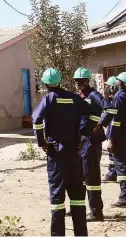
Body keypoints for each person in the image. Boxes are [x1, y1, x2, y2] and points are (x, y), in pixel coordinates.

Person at [32, 68, 99, 236]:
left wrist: (42, 142)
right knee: (77, 197)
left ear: (46, 84)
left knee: (57, 200)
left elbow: (37, 121)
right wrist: (84, 133)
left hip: (56, 155)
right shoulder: (74, 98)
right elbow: (95, 113)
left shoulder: (48, 99)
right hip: (74, 155)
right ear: (60, 81)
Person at [72, 67, 111, 222]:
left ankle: (96, 212)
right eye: (75, 82)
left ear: (87, 81)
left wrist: (100, 124)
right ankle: (79, 208)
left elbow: (110, 108)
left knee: (91, 177)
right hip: (81, 141)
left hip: (91, 140)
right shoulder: (79, 96)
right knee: (79, 176)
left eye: (80, 82)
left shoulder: (94, 95)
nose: (77, 84)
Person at [97, 72, 126, 207]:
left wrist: (110, 138)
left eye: (116, 82)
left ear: (120, 83)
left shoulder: (118, 97)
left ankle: (125, 198)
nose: (114, 85)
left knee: (122, 167)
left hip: (118, 135)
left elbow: (114, 119)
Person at [103, 76, 119, 183]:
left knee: (114, 152)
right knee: (111, 154)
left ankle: (113, 173)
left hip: (114, 130)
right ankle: (112, 172)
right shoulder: (111, 100)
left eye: (109, 86)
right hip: (111, 130)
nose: (107, 88)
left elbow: (114, 120)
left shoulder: (116, 101)